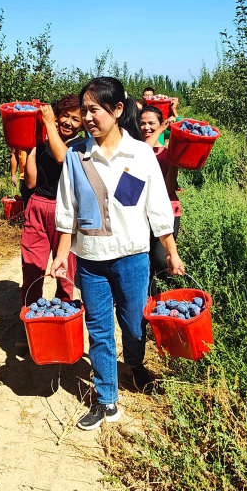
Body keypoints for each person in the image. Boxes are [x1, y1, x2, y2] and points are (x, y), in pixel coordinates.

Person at [52, 77, 185, 430]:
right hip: (92, 260)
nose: (88, 116)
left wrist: (171, 251)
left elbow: (158, 207)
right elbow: (67, 209)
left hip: (132, 257)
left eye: (95, 109)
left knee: (132, 322)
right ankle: (106, 398)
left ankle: (136, 364)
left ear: (118, 110)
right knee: (98, 329)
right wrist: (63, 254)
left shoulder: (140, 153)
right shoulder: (75, 156)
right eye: (85, 110)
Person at [20, 94, 84, 311]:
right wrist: (30, 149)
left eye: (76, 119)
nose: (69, 122)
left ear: (83, 123)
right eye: (65, 116)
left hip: (65, 209)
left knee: (65, 271)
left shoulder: (81, 145)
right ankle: (30, 317)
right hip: (38, 205)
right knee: (32, 268)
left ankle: (64, 315)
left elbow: (62, 158)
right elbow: (30, 183)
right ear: (58, 116)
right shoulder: (44, 140)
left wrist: (49, 125)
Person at [139, 106, 182, 281]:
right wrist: (163, 128)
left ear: (160, 123)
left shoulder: (166, 154)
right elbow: (143, 153)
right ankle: (147, 301)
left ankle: (169, 295)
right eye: (142, 123)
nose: (146, 127)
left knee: (161, 259)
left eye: (151, 123)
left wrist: (174, 160)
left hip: (167, 210)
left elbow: (168, 189)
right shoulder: (135, 150)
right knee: (144, 261)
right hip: (141, 213)